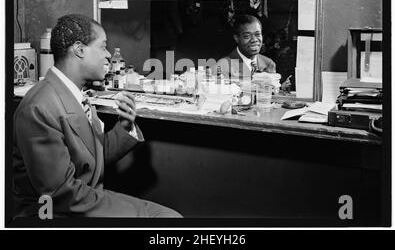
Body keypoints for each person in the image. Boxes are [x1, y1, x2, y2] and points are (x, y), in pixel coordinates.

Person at [13, 14, 182, 218]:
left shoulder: (75, 93)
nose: (109, 55)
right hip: (51, 212)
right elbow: (61, 195)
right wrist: (137, 214)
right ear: (79, 49)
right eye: (103, 46)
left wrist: (125, 127)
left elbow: (92, 159)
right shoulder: (39, 108)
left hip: (83, 198)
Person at [216, 14, 276, 80]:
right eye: (247, 36)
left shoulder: (268, 63)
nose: (254, 40)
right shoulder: (223, 65)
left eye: (257, 34)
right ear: (237, 38)